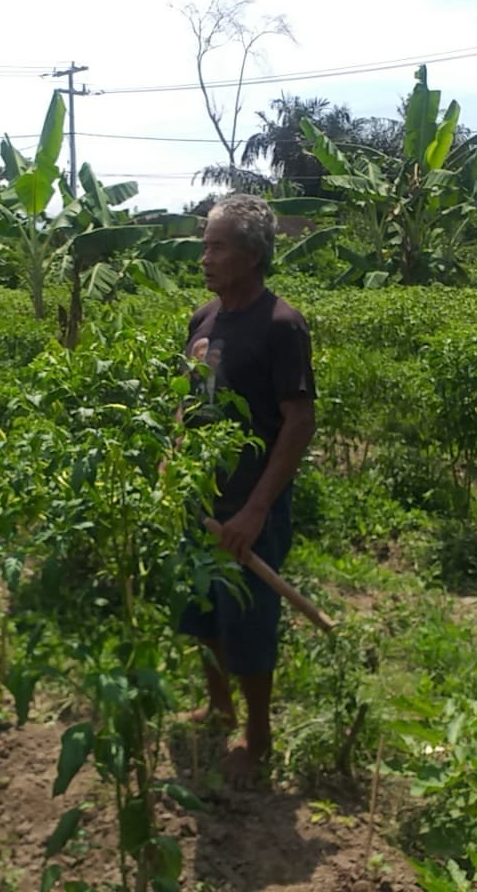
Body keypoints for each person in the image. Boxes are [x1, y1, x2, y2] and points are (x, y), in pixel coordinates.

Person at [176, 193, 316, 784]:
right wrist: (174, 460)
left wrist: (257, 510)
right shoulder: (201, 321)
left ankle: (257, 735)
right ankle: (219, 707)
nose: (204, 255)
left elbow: (299, 421)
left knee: (251, 619)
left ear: (252, 254)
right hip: (199, 499)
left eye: (217, 245)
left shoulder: (281, 325)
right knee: (201, 611)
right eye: (205, 243)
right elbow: (186, 402)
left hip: (249, 504)